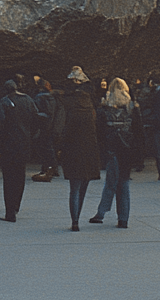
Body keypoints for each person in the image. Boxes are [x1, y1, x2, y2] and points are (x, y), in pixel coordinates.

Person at [0, 78, 43, 223]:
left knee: (8, 178)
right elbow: (36, 119)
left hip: (9, 145)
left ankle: (10, 211)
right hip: (24, 142)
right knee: (20, 176)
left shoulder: (3, 102)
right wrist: (30, 135)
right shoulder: (28, 100)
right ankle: (16, 205)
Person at [90, 77, 135, 228]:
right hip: (127, 149)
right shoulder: (131, 107)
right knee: (124, 183)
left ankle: (101, 212)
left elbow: (99, 132)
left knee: (110, 182)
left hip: (111, 148)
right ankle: (123, 217)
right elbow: (138, 131)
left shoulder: (104, 108)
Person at [59, 66, 100, 231]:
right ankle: (78, 215)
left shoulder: (67, 104)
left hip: (73, 149)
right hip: (89, 149)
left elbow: (63, 128)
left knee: (74, 188)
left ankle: (74, 220)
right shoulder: (90, 107)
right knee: (83, 185)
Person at [31, 79, 64, 182]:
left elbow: (37, 112)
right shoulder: (55, 98)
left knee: (45, 147)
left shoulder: (39, 98)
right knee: (50, 147)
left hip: (44, 126)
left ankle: (48, 167)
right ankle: (52, 168)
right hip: (54, 126)